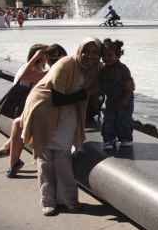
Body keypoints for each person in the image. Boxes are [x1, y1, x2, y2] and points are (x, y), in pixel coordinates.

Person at [20, 38, 102, 216]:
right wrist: (86, 93)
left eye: (95, 52)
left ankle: (68, 200)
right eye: (86, 50)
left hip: (66, 113)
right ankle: (48, 201)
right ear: (79, 50)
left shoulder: (94, 68)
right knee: (45, 158)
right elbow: (57, 98)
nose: (90, 55)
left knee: (62, 157)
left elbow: (110, 79)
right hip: (43, 110)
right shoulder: (65, 64)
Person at [0, 43, 66, 178]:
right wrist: (35, 58)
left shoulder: (43, 70)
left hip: (40, 109)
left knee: (18, 124)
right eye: (47, 55)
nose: (49, 59)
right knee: (18, 124)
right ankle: (13, 160)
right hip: (30, 108)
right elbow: (24, 77)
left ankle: (12, 158)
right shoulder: (34, 71)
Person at [99, 39, 134, 152]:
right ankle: (109, 139)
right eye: (103, 55)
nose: (106, 58)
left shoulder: (123, 69)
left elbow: (130, 87)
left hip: (125, 100)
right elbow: (101, 85)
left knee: (123, 120)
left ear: (118, 55)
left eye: (109, 55)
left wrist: (125, 100)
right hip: (111, 100)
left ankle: (125, 138)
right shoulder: (103, 69)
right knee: (109, 120)